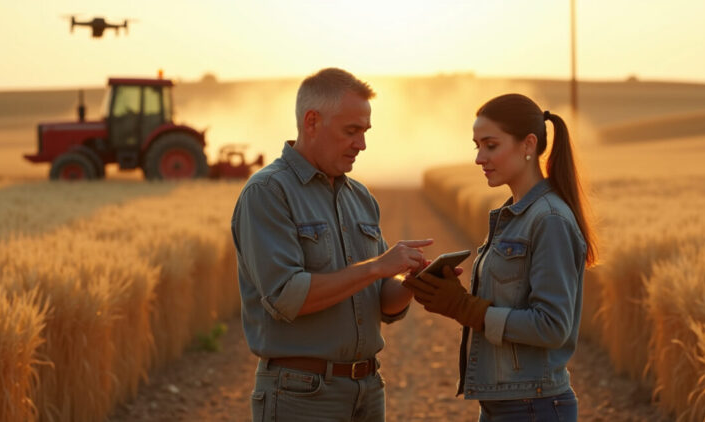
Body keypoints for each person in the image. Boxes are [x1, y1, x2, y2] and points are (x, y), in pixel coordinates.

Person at [231, 68, 432, 422]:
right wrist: (376, 267)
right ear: (312, 122)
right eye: (351, 131)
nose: (361, 144)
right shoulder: (268, 192)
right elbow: (287, 296)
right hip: (301, 395)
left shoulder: (360, 197)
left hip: (368, 390)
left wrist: (412, 281)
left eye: (365, 132)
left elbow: (383, 304)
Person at [404, 94, 597, 422]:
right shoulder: (515, 215)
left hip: (534, 407)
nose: (479, 158)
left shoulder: (549, 219)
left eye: (490, 145)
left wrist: (465, 308)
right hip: (507, 405)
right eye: (477, 146)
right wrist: (455, 297)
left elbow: (552, 327)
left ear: (528, 144)